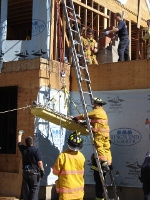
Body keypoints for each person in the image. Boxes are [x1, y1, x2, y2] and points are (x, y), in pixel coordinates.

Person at [73, 97, 112, 171]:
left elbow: (85, 116)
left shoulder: (96, 111)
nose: (93, 105)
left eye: (94, 104)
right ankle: (109, 164)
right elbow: (96, 121)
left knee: (99, 147)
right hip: (106, 134)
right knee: (106, 148)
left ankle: (104, 162)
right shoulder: (103, 112)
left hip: (99, 134)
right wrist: (85, 123)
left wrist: (76, 118)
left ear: (97, 104)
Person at [53, 131, 85, 200]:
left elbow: (55, 172)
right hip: (79, 192)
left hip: (66, 194)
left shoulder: (63, 156)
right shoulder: (81, 156)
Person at [18, 130, 44, 200]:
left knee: (26, 190)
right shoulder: (35, 150)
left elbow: (19, 143)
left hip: (26, 172)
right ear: (32, 142)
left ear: (26, 143)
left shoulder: (23, 149)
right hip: (34, 173)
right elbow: (40, 162)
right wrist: (42, 171)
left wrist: (20, 134)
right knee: (34, 190)